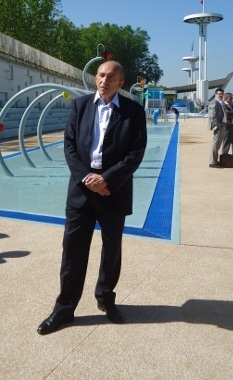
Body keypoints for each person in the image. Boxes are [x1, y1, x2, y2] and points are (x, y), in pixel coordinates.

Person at [37, 60, 147, 335]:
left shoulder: (134, 111)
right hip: (82, 190)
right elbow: (70, 145)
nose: (104, 80)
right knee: (73, 251)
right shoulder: (80, 106)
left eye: (110, 76)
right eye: (100, 74)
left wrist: (106, 179)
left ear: (121, 82)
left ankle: (105, 299)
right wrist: (88, 178)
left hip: (114, 190)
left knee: (111, 251)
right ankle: (64, 309)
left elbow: (135, 153)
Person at [208, 87, 227, 168]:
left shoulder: (221, 103)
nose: (221, 95)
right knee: (215, 144)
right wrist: (218, 125)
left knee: (218, 145)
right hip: (219, 126)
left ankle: (215, 160)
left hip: (222, 125)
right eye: (219, 94)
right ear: (215, 94)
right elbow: (213, 115)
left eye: (222, 94)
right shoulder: (214, 102)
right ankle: (212, 162)